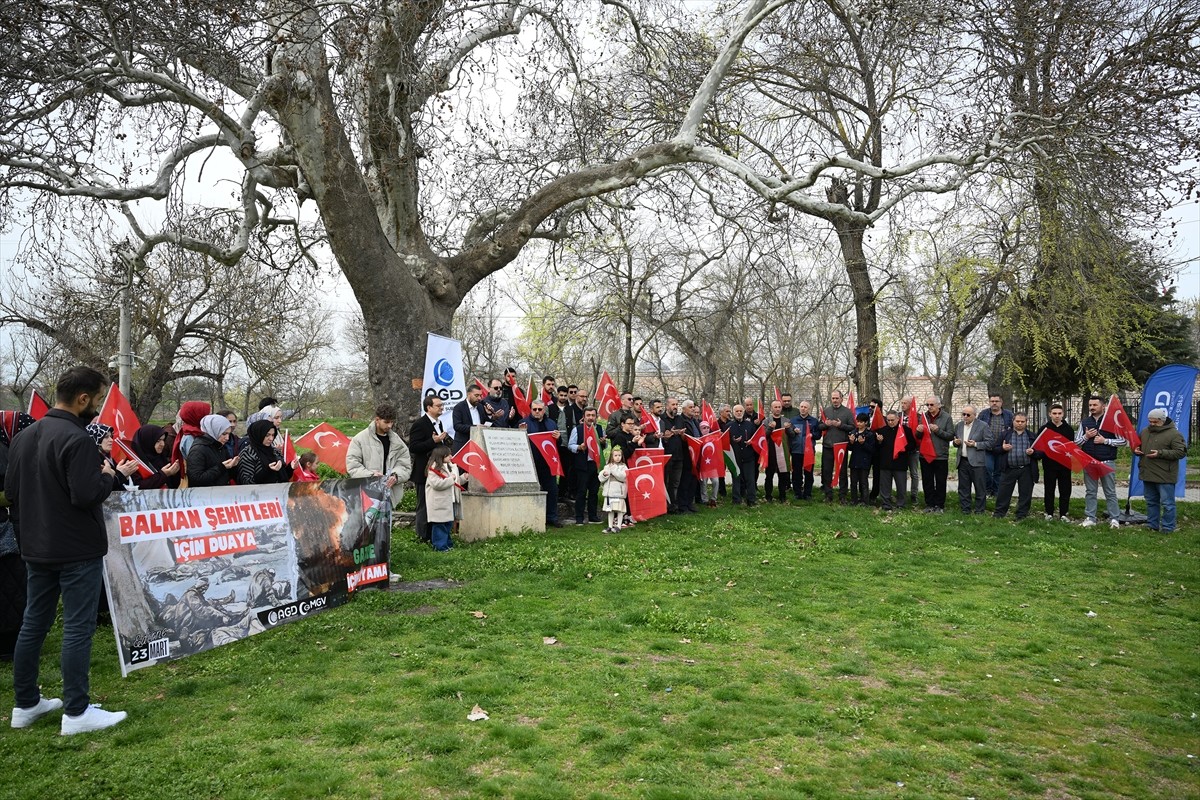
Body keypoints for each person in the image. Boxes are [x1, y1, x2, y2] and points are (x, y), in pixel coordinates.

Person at [6, 365, 127, 734]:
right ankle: (77, 711)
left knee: (33, 623)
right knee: (77, 627)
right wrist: (108, 475)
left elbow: (12, 491)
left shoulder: (24, 437)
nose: (97, 410)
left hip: (36, 548)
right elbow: (87, 494)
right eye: (97, 399)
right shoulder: (77, 440)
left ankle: (25, 704)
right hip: (76, 550)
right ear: (83, 399)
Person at [0, 412, 36, 662]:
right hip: (5, 533)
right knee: (10, 586)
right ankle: (9, 644)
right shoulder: (3, 451)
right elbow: (7, 491)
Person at [346, 404, 412, 508]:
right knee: (366, 524)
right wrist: (371, 475)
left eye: (391, 422)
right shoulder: (359, 439)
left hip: (389, 495)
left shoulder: (398, 442)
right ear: (377, 420)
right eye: (386, 422)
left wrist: (396, 476)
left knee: (387, 524)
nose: (390, 425)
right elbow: (353, 465)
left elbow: (405, 466)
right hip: (366, 495)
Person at [1135, 408, 1187, 534]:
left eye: (1155, 422)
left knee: (1167, 504)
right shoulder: (1145, 432)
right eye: (1150, 422)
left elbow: (1181, 452)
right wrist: (1136, 450)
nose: (1152, 424)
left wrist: (1160, 453)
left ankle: (1168, 528)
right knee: (1151, 502)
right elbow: (1138, 445)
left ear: (1162, 421)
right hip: (1148, 472)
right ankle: (1152, 525)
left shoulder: (1174, 434)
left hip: (1165, 474)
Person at [1076, 395, 1124, 529]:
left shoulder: (1112, 422)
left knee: (1110, 491)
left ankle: (1114, 518)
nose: (1091, 407)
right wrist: (1086, 436)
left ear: (1103, 406)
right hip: (1089, 461)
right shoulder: (1085, 422)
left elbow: (1123, 441)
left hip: (1106, 461)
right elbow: (1076, 442)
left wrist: (1105, 441)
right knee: (1090, 491)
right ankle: (1090, 517)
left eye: (1094, 405)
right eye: (1090, 405)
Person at [409, 396, 452, 543]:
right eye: (438, 405)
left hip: (437, 470)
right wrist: (432, 441)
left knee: (434, 504)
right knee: (423, 504)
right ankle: (422, 536)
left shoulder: (439, 423)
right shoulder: (419, 424)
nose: (442, 407)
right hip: (423, 471)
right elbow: (413, 447)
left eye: (442, 405)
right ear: (429, 408)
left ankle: (433, 535)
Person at [523, 400, 563, 528]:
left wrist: (559, 437)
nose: (537, 412)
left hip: (548, 463)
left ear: (544, 410)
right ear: (531, 410)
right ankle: (531, 517)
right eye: (534, 409)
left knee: (552, 490)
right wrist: (520, 432)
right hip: (531, 463)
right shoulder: (523, 423)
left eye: (539, 409)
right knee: (531, 491)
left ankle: (552, 517)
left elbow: (558, 443)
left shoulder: (551, 423)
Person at [993, 413, 1037, 521]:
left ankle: (1021, 515)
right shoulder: (1005, 435)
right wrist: (1003, 448)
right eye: (1017, 421)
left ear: (1026, 422)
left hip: (1026, 469)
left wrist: (1033, 452)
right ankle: (999, 513)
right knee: (1003, 492)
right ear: (1013, 421)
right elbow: (995, 449)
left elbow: (1041, 453)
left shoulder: (1032, 436)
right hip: (1009, 468)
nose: (1020, 423)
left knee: (1025, 494)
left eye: (1022, 421)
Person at [915, 396, 955, 513]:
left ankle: (939, 505)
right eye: (927, 405)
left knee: (940, 481)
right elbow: (918, 437)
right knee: (927, 481)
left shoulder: (946, 417)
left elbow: (950, 436)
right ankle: (929, 504)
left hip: (940, 455)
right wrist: (918, 431)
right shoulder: (923, 417)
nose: (929, 407)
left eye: (932, 405)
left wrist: (938, 430)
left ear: (939, 405)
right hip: (925, 454)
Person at [567, 406, 606, 525]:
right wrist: (579, 447)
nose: (590, 418)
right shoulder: (577, 429)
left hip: (596, 464)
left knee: (594, 492)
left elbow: (603, 447)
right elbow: (570, 445)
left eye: (593, 416)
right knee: (581, 491)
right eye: (588, 415)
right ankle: (579, 517)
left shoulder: (599, 429)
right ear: (584, 417)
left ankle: (593, 516)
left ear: (596, 417)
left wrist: (603, 443)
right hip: (582, 465)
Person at [424, 446, 467, 551]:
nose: (451, 456)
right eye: (448, 455)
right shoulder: (433, 468)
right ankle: (440, 547)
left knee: (447, 524)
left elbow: (454, 482)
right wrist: (451, 479)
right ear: (442, 456)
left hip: (447, 501)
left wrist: (463, 478)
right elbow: (437, 484)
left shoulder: (449, 466)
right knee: (439, 525)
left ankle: (447, 544)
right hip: (438, 503)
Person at [1036, 403, 1074, 521]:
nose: (1057, 416)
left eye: (1059, 413)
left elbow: (1071, 447)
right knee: (1049, 489)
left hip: (1064, 464)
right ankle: (1049, 513)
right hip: (1049, 464)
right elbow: (1039, 446)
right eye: (1054, 413)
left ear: (1063, 414)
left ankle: (1063, 513)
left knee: (1065, 489)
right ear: (1050, 414)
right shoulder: (1044, 429)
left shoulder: (1068, 429)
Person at [185, 414, 240, 488]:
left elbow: (228, 473)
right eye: (224, 434)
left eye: (229, 434)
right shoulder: (198, 450)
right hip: (204, 496)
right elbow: (196, 479)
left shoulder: (220, 446)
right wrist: (222, 467)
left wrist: (233, 466)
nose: (227, 438)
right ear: (214, 431)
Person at [819, 391, 854, 502]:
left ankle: (842, 495)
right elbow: (819, 426)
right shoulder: (826, 411)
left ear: (841, 399)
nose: (834, 400)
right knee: (827, 471)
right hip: (828, 445)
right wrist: (826, 425)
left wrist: (841, 425)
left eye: (836, 398)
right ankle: (828, 494)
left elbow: (852, 427)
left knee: (842, 472)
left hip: (841, 446)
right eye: (833, 398)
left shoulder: (847, 412)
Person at [876, 411, 915, 511]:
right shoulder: (881, 431)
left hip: (900, 463)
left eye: (892, 420)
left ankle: (901, 504)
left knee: (901, 486)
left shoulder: (906, 430)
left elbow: (913, 445)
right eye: (888, 420)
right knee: (885, 486)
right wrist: (879, 442)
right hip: (885, 463)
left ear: (898, 419)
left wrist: (903, 447)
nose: (890, 422)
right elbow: (876, 448)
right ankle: (886, 504)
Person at [954, 406, 989, 515]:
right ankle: (965, 509)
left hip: (977, 461)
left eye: (968, 415)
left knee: (980, 487)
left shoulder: (983, 426)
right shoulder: (959, 426)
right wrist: (956, 443)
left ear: (974, 415)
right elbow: (955, 441)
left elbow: (990, 442)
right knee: (963, 487)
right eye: (963, 414)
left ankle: (979, 510)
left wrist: (975, 444)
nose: (965, 417)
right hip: (962, 460)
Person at [236, 420, 295, 485]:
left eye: (273, 435)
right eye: (267, 435)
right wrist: (268, 470)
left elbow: (282, 476)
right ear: (259, 434)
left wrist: (291, 467)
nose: (271, 439)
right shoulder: (248, 453)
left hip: (279, 492)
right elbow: (246, 482)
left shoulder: (274, 451)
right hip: (258, 493)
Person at [87, 422, 140, 491]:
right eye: (106, 437)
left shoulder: (107, 457)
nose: (111, 440)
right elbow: (99, 489)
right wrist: (121, 474)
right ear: (95, 438)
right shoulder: (92, 460)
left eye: (111, 436)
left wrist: (125, 474)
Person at [128, 424, 182, 490]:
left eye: (163, 440)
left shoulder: (160, 457)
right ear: (147, 441)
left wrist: (174, 472)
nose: (162, 444)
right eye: (158, 441)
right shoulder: (133, 462)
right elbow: (139, 486)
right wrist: (164, 475)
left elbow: (173, 485)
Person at [726, 405, 758, 507]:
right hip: (735, 457)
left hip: (748, 456)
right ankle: (736, 500)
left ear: (743, 412)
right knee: (736, 478)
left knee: (750, 479)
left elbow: (756, 438)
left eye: (740, 411)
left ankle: (751, 500)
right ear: (733, 412)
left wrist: (751, 441)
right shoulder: (728, 425)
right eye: (737, 411)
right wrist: (733, 441)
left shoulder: (750, 425)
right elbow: (725, 441)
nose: (739, 413)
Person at [982, 394, 1014, 496]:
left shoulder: (1009, 415)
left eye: (996, 401)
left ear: (1001, 402)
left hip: (1001, 448)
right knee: (988, 468)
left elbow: (1013, 430)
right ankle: (987, 489)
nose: (994, 403)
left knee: (999, 471)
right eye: (992, 401)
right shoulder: (983, 414)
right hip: (988, 448)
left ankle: (996, 492)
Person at [659, 398, 687, 513]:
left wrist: (681, 434)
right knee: (665, 481)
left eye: (676, 404)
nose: (675, 406)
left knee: (675, 482)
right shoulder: (661, 419)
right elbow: (661, 437)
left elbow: (685, 439)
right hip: (666, 455)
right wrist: (667, 435)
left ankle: (673, 505)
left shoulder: (680, 419)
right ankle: (664, 505)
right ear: (667, 406)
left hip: (679, 456)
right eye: (673, 404)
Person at [763, 400, 792, 502]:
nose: (777, 409)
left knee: (783, 476)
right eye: (775, 407)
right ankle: (768, 496)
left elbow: (792, 435)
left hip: (782, 451)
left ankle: (782, 496)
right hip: (771, 452)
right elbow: (763, 436)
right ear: (771, 408)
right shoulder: (766, 421)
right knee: (769, 475)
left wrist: (788, 429)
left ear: (781, 408)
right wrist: (770, 428)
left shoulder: (786, 420)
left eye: (779, 407)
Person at [790, 400, 818, 500]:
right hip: (796, 451)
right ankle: (797, 493)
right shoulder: (793, 420)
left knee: (809, 473)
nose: (803, 409)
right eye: (801, 406)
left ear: (809, 409)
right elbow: (789, 434)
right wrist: (793, 431)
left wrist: (812, 435)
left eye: (805, 407)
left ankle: (807, 493)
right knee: (796, 473)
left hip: (809, 452)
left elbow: (818, 435)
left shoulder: (814, 421)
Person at [847, 413, 876, 506]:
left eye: (861, 422)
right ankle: (853, 500)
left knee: (863, 482)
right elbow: (849, 448)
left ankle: (865, 500)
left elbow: (872, 449)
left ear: (866, 422)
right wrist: (851, 442)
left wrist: (863, 443)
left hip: (864, 461)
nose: (858, 424)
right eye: (857, 421)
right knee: (853, 482)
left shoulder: (870, 434)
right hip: (854, 460)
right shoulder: (853, 432)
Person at [598, 447, 628, 533]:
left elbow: (623, 477)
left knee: (619, 509)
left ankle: (618, 526)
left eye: (619, 455)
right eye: (615, 455)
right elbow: (601, 478)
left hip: (619, 492)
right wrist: (604, 474)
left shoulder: (623, 467)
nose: (617, 457)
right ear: (612, 456)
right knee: (610, 509)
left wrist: (613, 470)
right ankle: (610, 526)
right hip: (609, 492)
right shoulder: (607, 466)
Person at [452, 383, 485, 452]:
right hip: (463, 445)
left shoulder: (480, 406)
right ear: (469, 394)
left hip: (479, 445)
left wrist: (493, 417)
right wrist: (475, 427)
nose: (479, 398)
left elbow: (484, 421)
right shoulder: (459, 407)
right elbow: (457, 426)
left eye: (480, 396)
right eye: (476, 395)